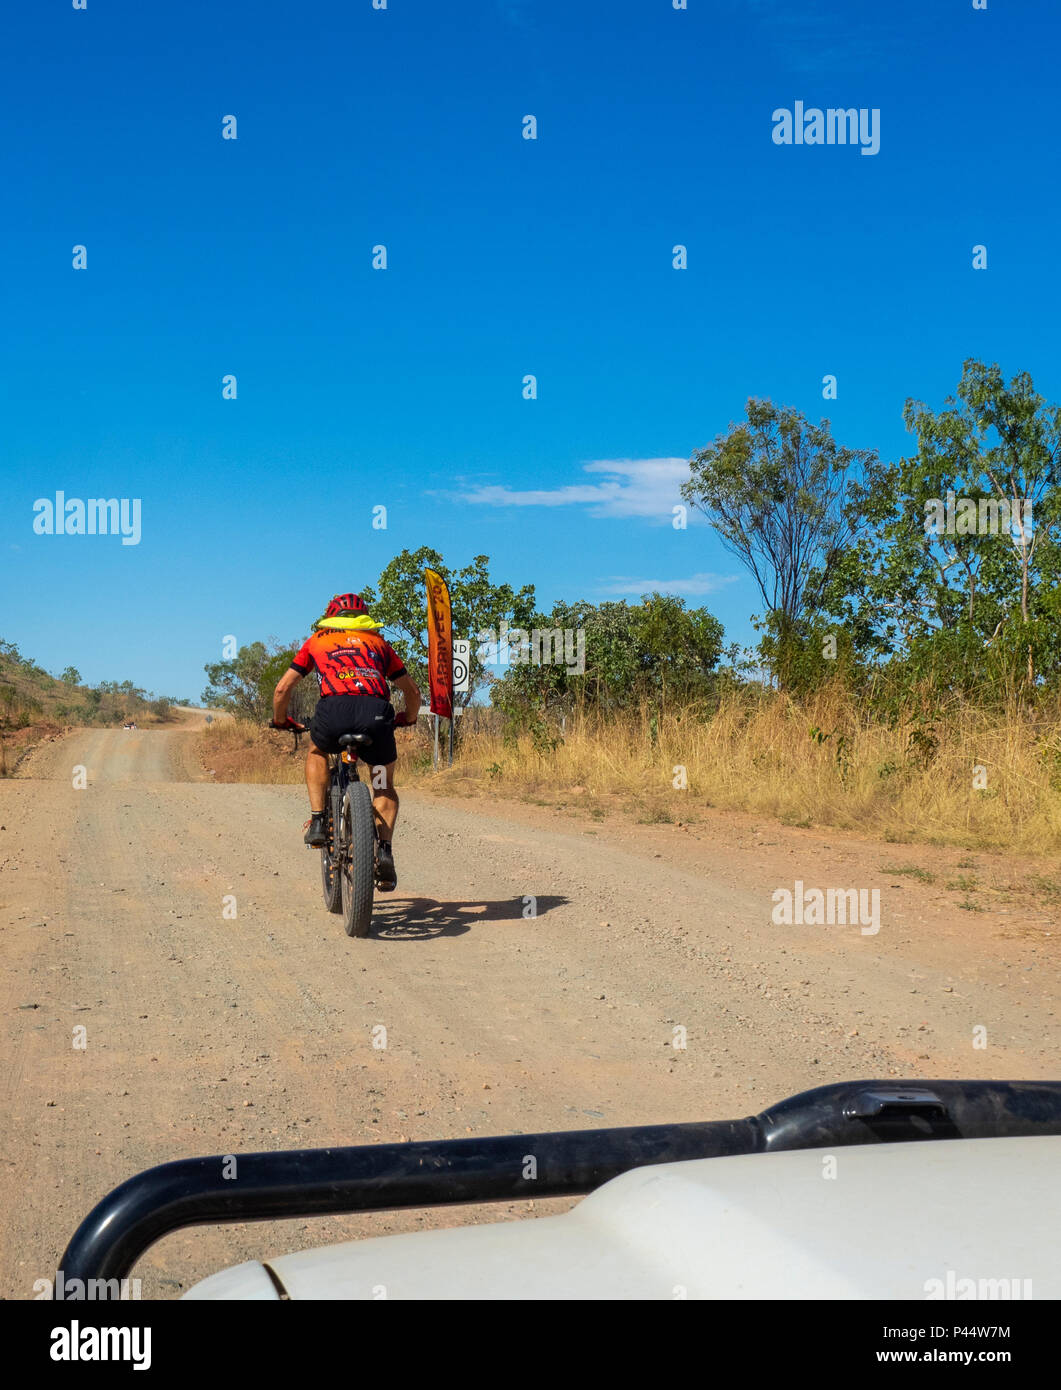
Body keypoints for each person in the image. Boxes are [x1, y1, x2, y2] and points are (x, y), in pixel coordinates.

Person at [271, 592, 420, 890]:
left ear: (330, 616)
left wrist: (280, 719)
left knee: (316, 752)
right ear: (364, 617)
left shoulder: (318, 641)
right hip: (375, 717)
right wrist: (409, 717)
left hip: (334, 713)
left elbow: (282, 688)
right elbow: (413, 692)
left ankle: (316, 821)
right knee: (382, 783)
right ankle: (384, 851)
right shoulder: (379, 643)